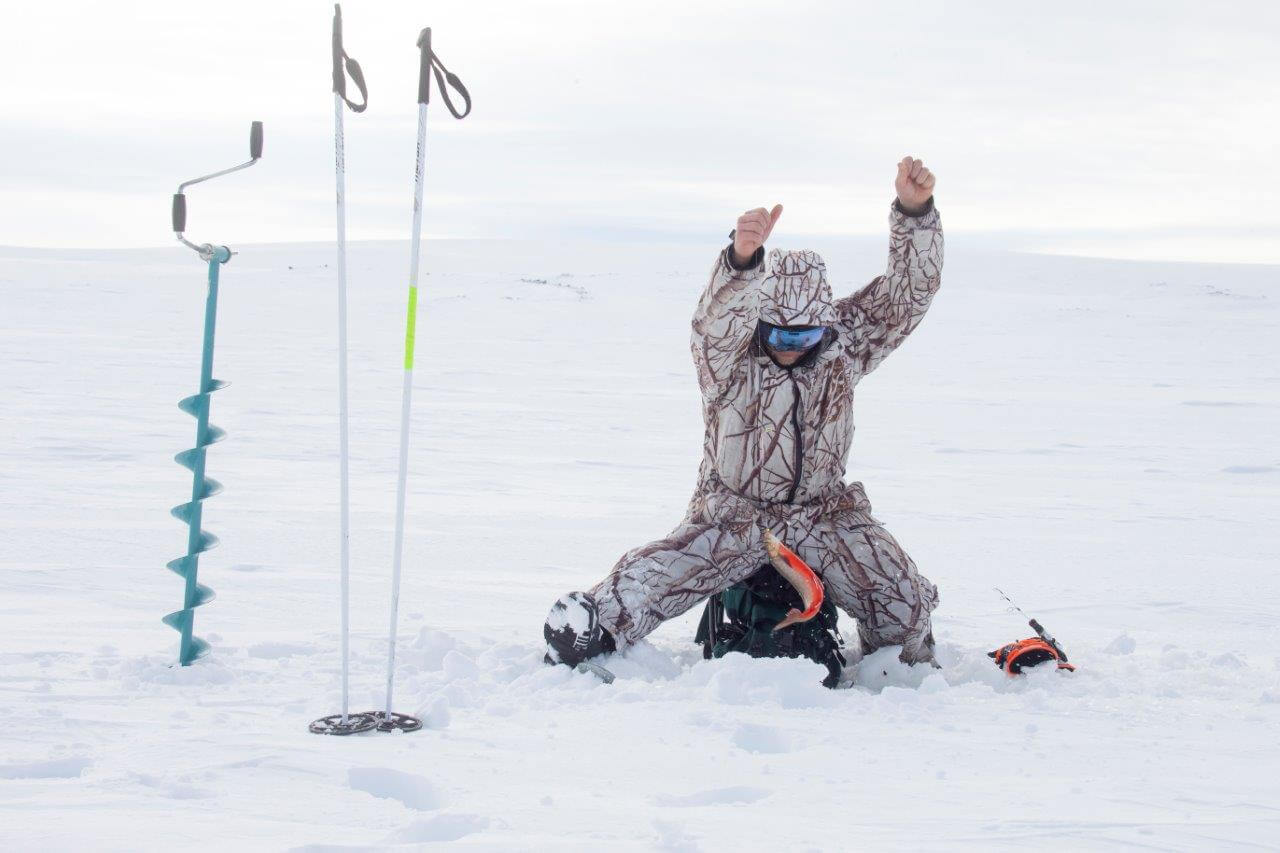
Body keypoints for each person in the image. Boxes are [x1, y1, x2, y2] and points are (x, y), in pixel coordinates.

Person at [544, 156, 945, 670]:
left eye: (804, 337)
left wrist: (914, 213)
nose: (790, 348)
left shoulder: (844, 346)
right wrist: (740, 262)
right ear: (759, 323)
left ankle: (892, 665)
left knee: (904, 605)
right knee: (664, 572)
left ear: (825, 327)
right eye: (778, 335)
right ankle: (589, 627)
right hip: (735, 514)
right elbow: (714, 322)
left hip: (824, 513)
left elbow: (907, 295)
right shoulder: (729, 359)